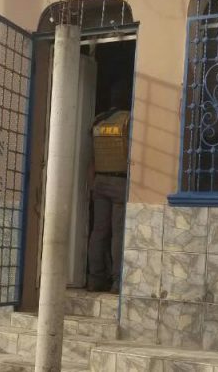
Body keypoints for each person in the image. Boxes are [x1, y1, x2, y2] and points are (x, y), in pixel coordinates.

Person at [86, 83, 130, 293]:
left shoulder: (97, 121)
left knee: (99, 232)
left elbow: (92, 156)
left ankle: (95, 279)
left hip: (99, 181)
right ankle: (117, 282)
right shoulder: (129, 120)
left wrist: (92, 184)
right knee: (118, 233)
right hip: (120, 181)